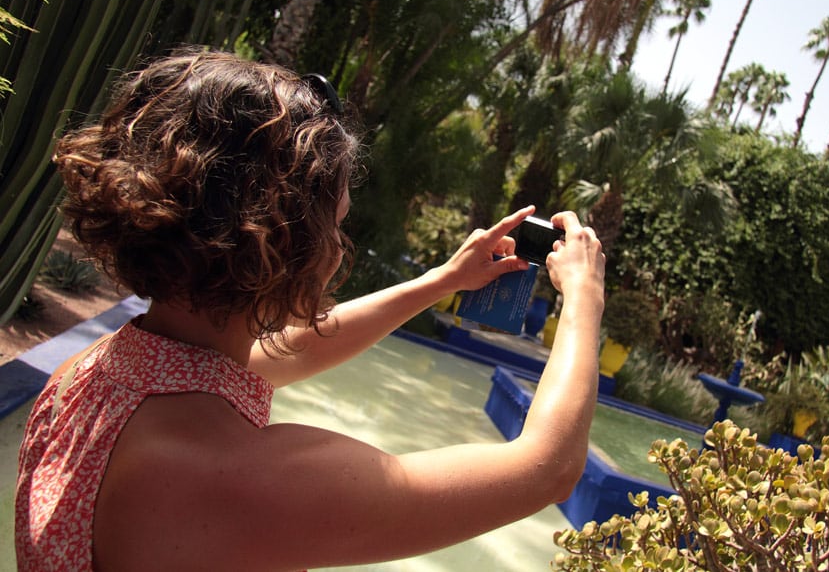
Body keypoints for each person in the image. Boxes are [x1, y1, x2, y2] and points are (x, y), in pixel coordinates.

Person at [15, 49, 606, 570]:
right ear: (283, 241)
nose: (337, 249)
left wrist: (442, 281)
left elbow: (289, 347)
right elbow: (545, 468)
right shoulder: (238, 477)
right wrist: (584, 298)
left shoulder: (102, 371)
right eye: (337, 225)